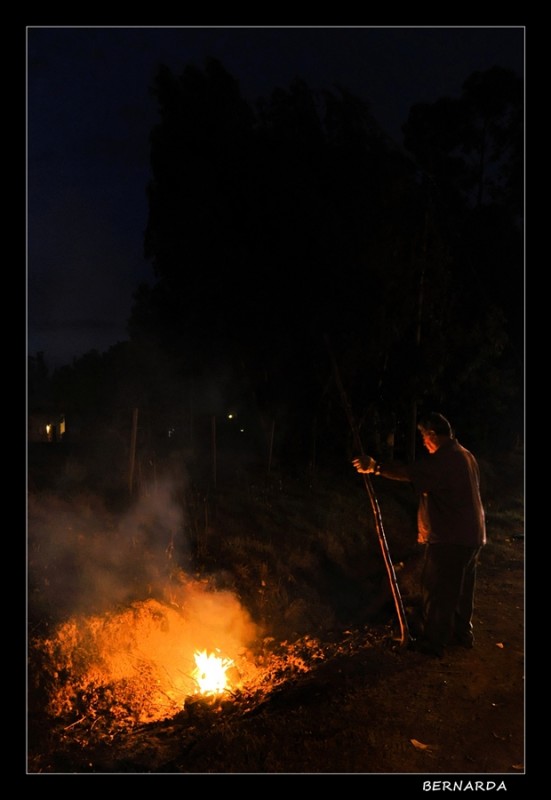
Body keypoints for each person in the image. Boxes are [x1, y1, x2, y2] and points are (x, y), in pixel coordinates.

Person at [352, 412, 486, 658]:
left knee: (437, 590)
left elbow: (410, 473)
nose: (423, 442)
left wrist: (376, 467)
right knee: (461, 589)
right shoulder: (465, 455)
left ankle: (433, 643)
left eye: (424, 436)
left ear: (433, 434)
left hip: (450, 536)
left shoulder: (447, 458)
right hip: (471, 534)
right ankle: (460, 634)